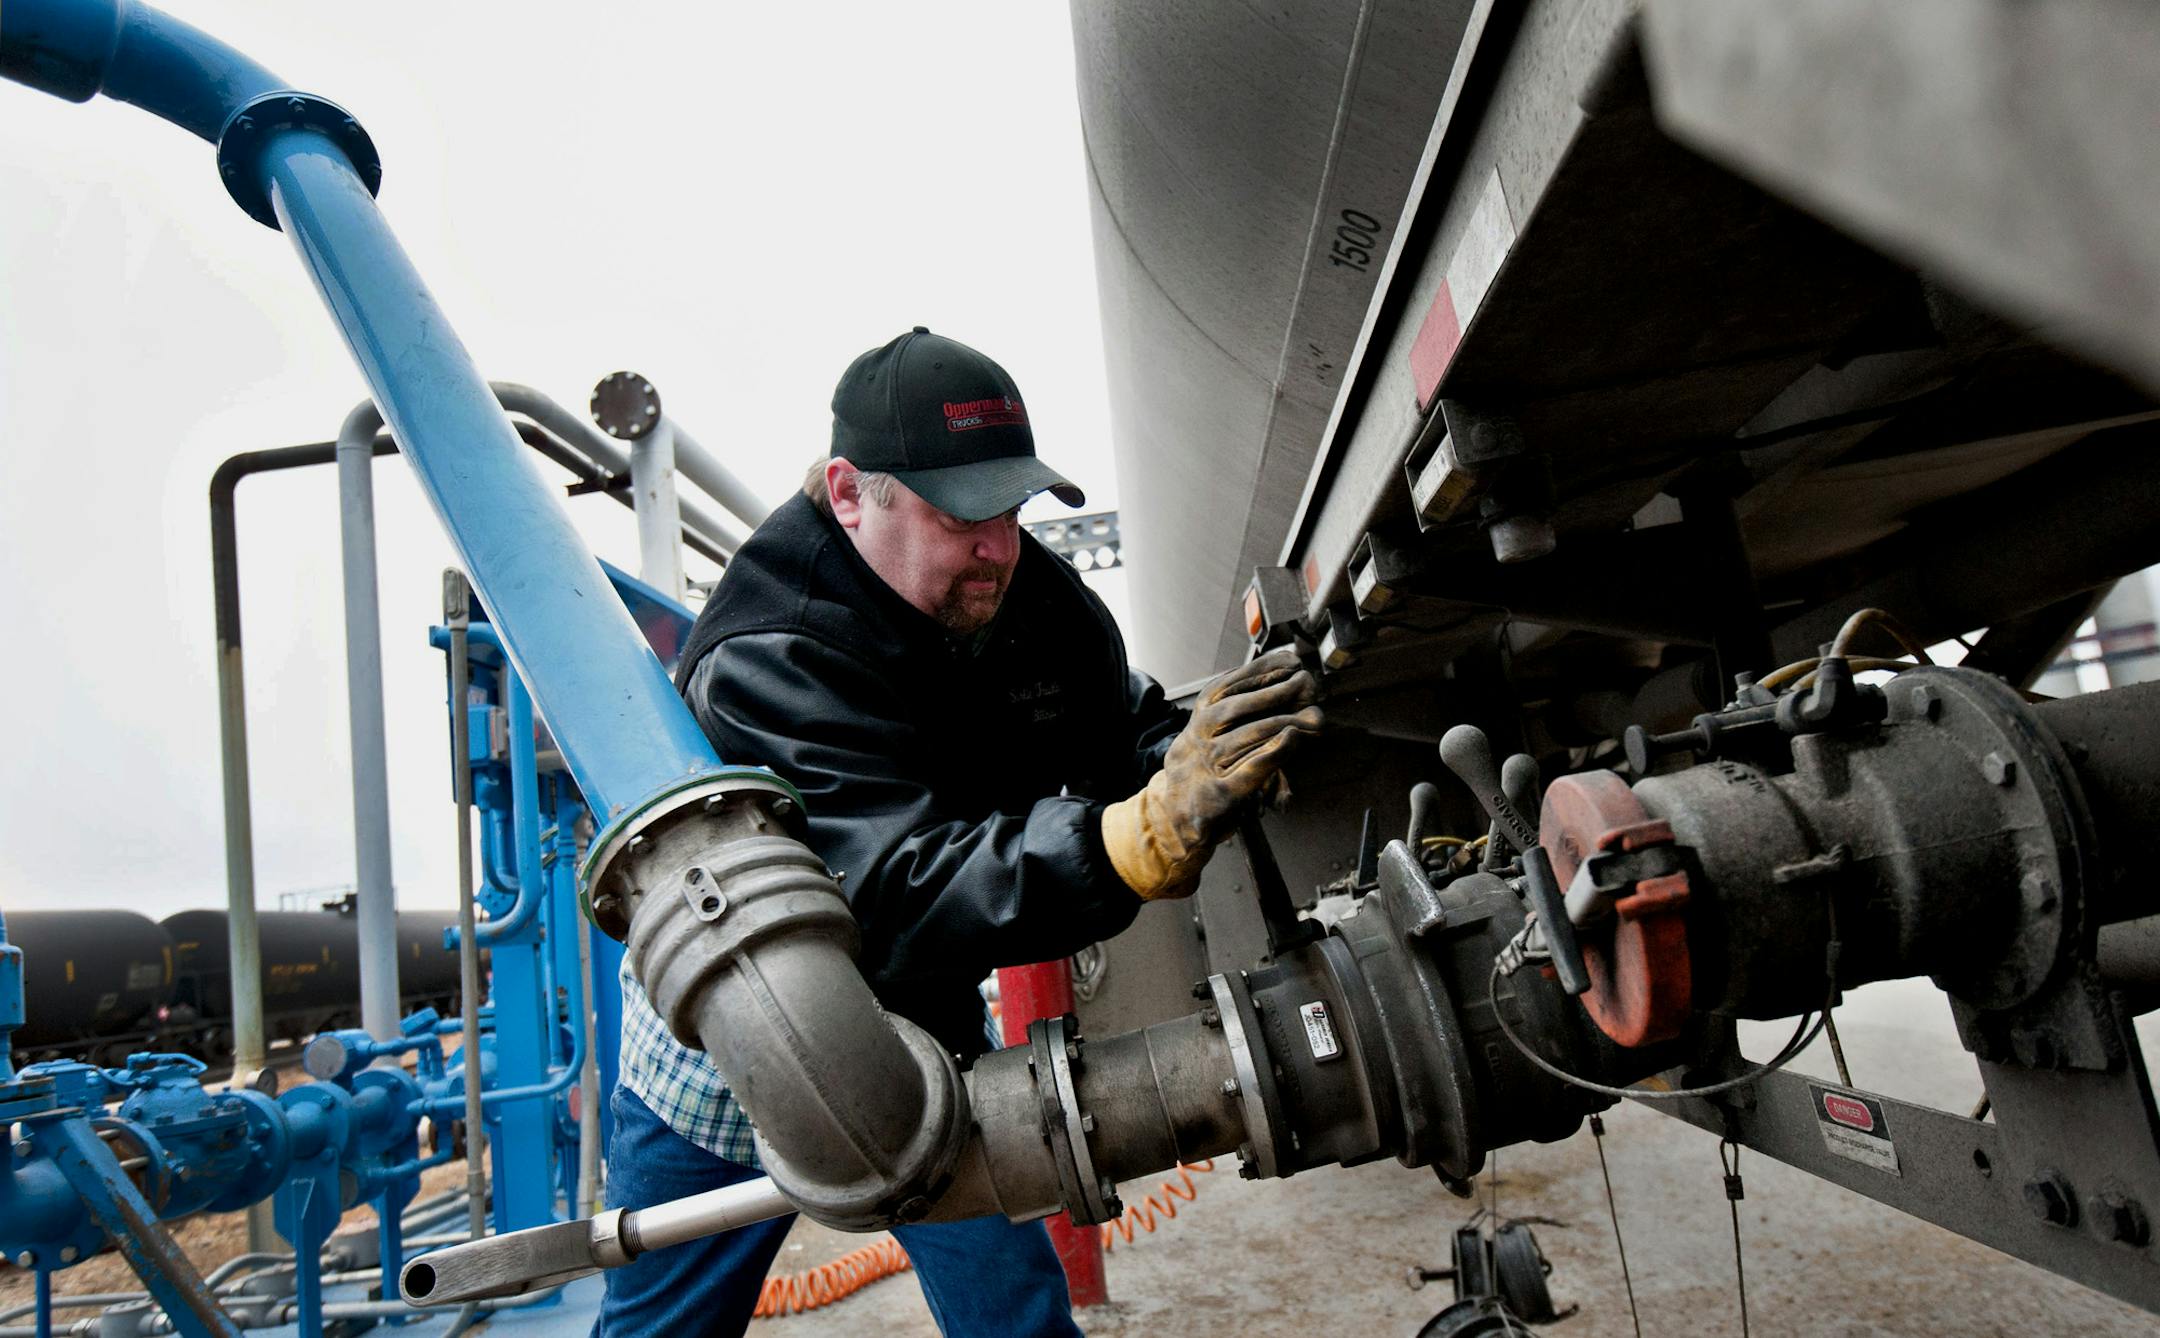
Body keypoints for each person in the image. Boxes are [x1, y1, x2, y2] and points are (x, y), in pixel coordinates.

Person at [596, 327, 1322, 1336]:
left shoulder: (1020, 594)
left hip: (916, 1028)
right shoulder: (770, 653)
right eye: (960, 516)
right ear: (851, 496)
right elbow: (887, 895)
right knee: (663, 1331)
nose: (998, 546)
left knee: (1014, 1313)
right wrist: (1125, 843)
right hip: (739, 1033)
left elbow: (1120, 726)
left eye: (1012, 511)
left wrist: (1196, 762)